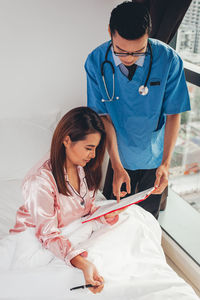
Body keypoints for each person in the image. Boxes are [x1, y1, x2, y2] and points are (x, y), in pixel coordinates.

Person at [85, 1, 190, 219]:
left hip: (154, 156)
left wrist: (166, 164)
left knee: (146, 223)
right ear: (110, 33)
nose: (130, 59)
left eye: (138, 52)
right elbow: (102, 116)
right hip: (119, 154)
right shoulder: (96, 61)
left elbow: (173, 115)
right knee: (110, 220)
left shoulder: (169, 60)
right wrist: (115, 162)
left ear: (148, 36)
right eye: (121, 51)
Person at [8, 106, 120, 294]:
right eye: (89, 148)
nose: (93, 155)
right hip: (35, 239)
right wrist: (83, 263)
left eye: (96, 148)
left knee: (132, 218)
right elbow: (48, 234)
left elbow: (85, 207)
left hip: (68, 229)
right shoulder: (40, 181)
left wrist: (106, 215)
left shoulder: (82, 167)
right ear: (66, 140)